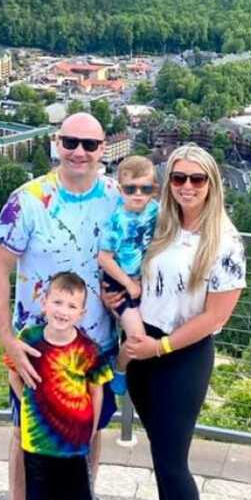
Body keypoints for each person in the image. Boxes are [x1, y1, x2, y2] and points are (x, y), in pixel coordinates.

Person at [112, 143, 245, 500]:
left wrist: (160, 347)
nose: (187, 186)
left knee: (174, 460)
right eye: (179, 178)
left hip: (179, 354)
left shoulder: (224, 241)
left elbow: (214, 318)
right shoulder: (162, 224)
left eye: (197, 179)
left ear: (212, 183)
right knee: (159, 446)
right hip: (145, 344)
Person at [0, 112, 120, 500]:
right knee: (26, 432)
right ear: (55, 143)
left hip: (94, 345)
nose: (79, 152)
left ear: (104, 149)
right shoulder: (27, 200)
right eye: (70, 141)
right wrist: (7, 337)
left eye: (89, 144)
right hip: (36, 349)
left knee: (92, 428)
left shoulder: (118, 200)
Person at [4, 271, 113, 500]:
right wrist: (31, 406)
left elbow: (97, 391)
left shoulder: (88, 349)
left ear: (82, 312)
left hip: (73, 443)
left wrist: (90, 430)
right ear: (44, 302)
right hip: (37, 440)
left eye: (71, 305)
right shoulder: (30, 338)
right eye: (57, 302)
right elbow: (13, 373)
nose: (63, 310)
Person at [97, 154, 159, 395]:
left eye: (145, 188)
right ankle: (120, 369)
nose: (138, 194)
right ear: (120, 189)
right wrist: (128, 283)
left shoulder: (155, 210)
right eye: (130, 189)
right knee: (136, 336)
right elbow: (104, 258)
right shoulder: (117, 221)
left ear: (153, 189)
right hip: (119, 283)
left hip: (143, 281)